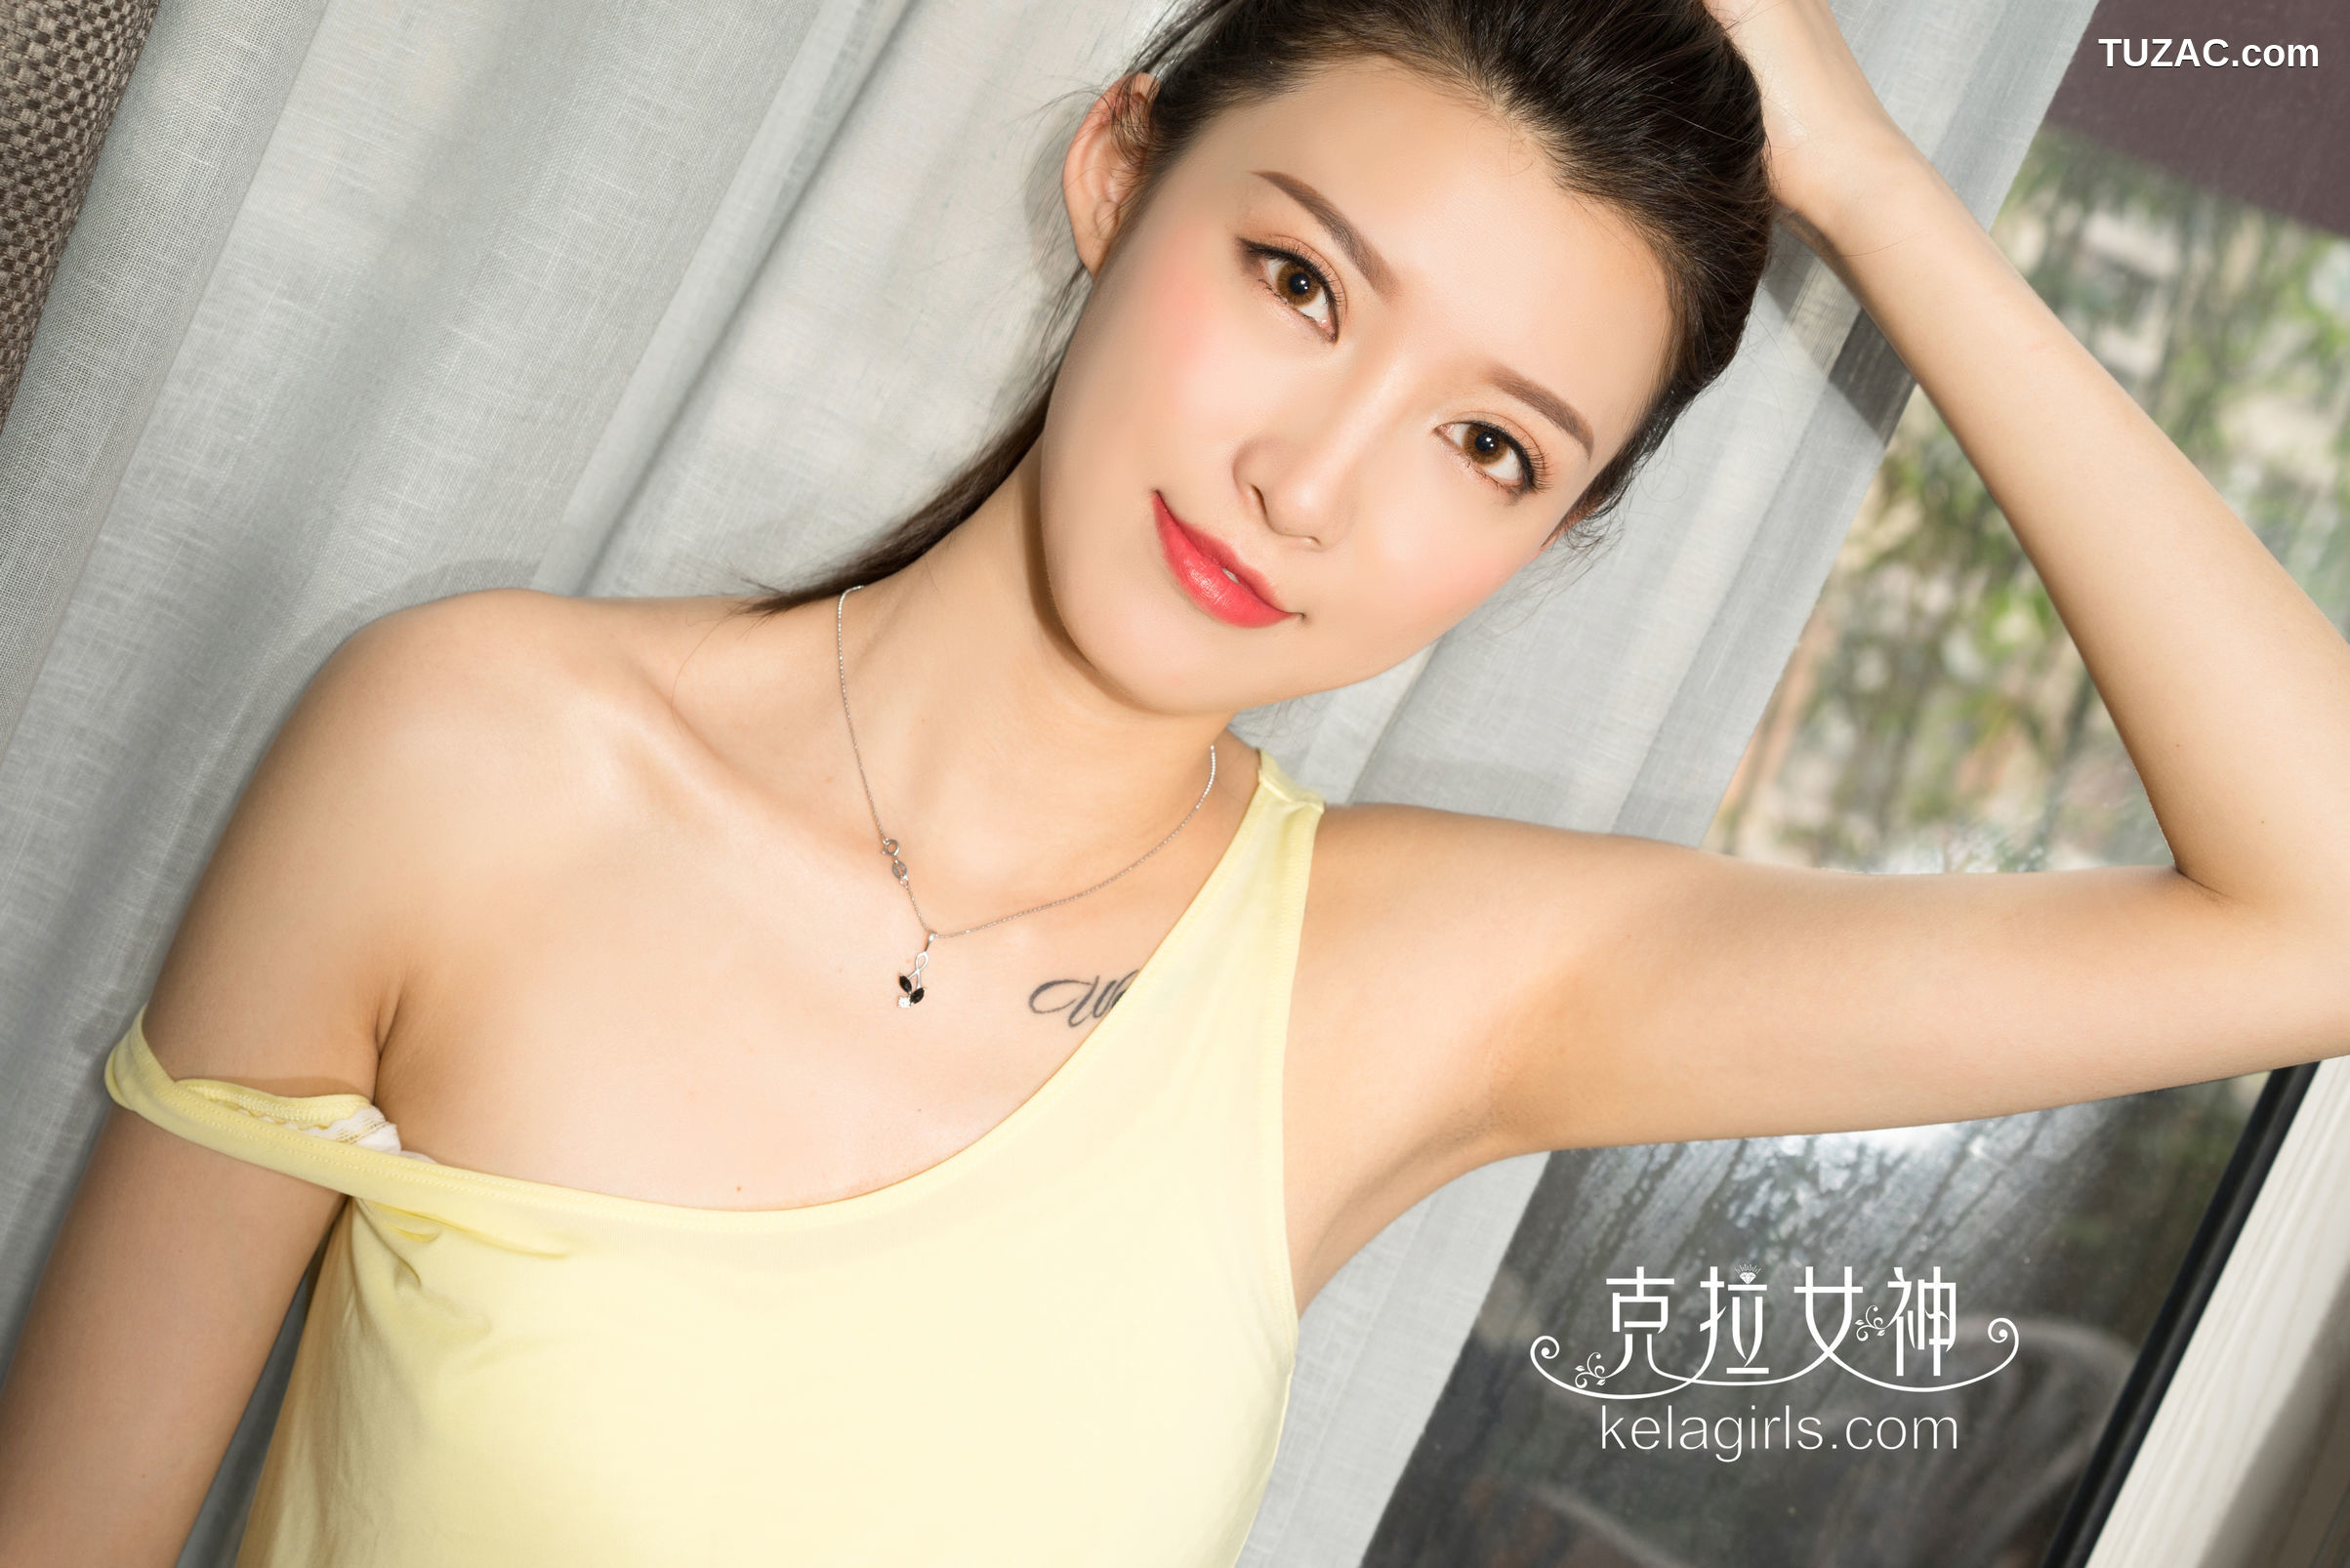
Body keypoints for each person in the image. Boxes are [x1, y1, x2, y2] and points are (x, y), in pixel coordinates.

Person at [4, 0, 2347, 1561]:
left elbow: (2315, 914)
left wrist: (1872, 184)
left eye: (1490, 443)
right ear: (1120, 175)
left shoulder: (1393, 986)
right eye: (1301, 282)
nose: (1308, 481)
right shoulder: (479, 756)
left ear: (1550, 531)